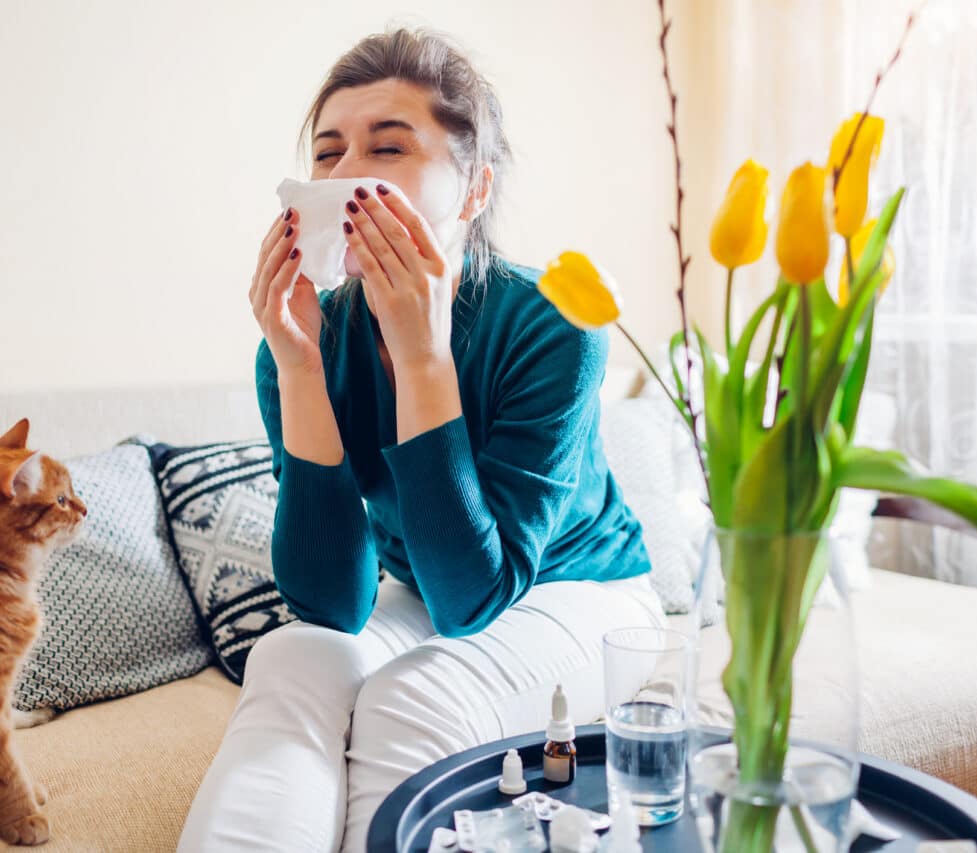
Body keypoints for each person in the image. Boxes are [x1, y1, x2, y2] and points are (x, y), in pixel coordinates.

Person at [178, 27, 662, 852]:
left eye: (388, 147)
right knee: (293, 659)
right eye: (326, 154)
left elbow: (474, 594)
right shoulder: (304, 340)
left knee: (413, 697)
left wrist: (422, 355)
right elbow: (331, 603)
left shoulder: (554, 323)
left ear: (473, 190)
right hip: (433, 585)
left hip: (580, 590)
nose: (344, 176)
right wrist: (298, 370)